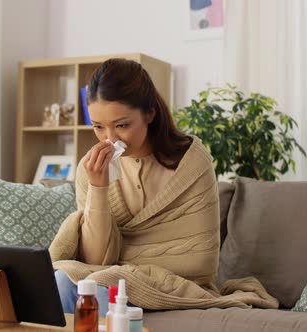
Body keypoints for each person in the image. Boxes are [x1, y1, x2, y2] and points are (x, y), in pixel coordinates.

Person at [51, 58, 279, 317]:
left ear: (150, 113)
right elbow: (95, 261)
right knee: (62, 281)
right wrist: (98, 189)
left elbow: (199, 260)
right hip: (110, 279)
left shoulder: (191, 162)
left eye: (122, 125)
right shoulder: (89, 170)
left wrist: (130, 273)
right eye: (98, 127)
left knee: (103, 292)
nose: (110, 139)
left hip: (174, 285)